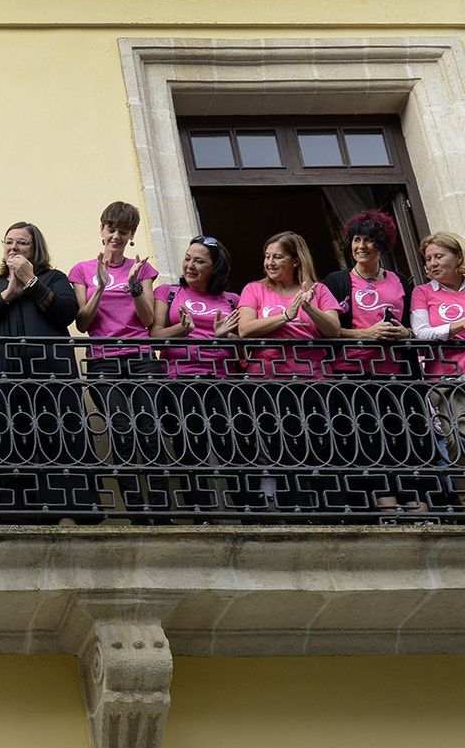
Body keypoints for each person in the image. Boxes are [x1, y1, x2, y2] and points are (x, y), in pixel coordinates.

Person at [0, 221, 96, 524]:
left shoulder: (55, 278)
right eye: (9, 241)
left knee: (63, 439)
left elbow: (66, 313)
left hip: (53, 376)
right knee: (7, 441)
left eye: (22, 243)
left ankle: (69, 513)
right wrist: (9, 292)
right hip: (5, 378)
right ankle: (12, 513)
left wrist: (32, 283)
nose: (13, 247)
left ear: (35, 248)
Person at [322, 211, 430, 515]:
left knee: (405, 435)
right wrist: (365, 333)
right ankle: (384, 503)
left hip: (398, 374)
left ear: (381, 244)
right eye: (357, 239)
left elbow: (416, 326)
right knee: (367, 436)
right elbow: (326, 331)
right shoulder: (336, 281)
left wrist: (404, 332)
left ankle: (415, 499)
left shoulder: (400, 282)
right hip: (353, 374)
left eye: (368, 239)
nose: (361, 245)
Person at [68, 201, 162, 520]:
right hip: (104, 361)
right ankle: (137, 510)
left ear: (132, 234)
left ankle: (160, 508)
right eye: (111, 229)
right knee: (121, 432)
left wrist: (135, 284)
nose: (116, 236)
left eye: (124, 231)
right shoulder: (83, 270)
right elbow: (83, 322)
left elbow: (149, 319)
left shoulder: (142, 269)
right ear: (102, 229)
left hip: (141, 358)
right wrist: (101, 286)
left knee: (149, 431)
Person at [237, 231, 342, 512]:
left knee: (319, 443)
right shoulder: (254, 289)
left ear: (295, 260)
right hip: (268, 381)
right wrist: (285, 316)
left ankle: (327, 511)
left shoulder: (317, 290)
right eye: (267, 256)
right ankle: (294, 508)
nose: (269, 262)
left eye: (277, 256)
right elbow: (245, 328)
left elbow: (332, 329)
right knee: (281, 445)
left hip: (314, 380)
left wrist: (307, 306)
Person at [150, 236, 241, 514]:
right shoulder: (167, 292)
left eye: (199, 261)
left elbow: (243, 352)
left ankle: (247, 509)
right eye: (188, 258)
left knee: (232, 447)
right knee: (190, 448)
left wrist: (223, 337)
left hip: (223, 381)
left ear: (215, 268)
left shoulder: (232, 300)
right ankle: (201, 513)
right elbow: (154, 337)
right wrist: (181, 331)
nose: (190, 265)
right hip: (180, 381)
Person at [410, 231, 465, 508]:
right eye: (427, 259)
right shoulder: (422, 293)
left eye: (438, 256)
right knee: (456, 440)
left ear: (458, 258)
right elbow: (421, 333)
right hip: (445, 380)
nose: (432, 263)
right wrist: (459, 325)